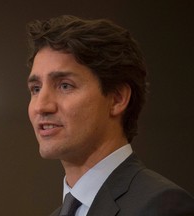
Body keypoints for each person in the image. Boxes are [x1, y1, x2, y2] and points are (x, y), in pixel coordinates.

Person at [26, 15, 194, 216]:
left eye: (65, 85)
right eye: (36, 89)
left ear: (117, 99)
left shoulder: (162, 205)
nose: (41, 106)